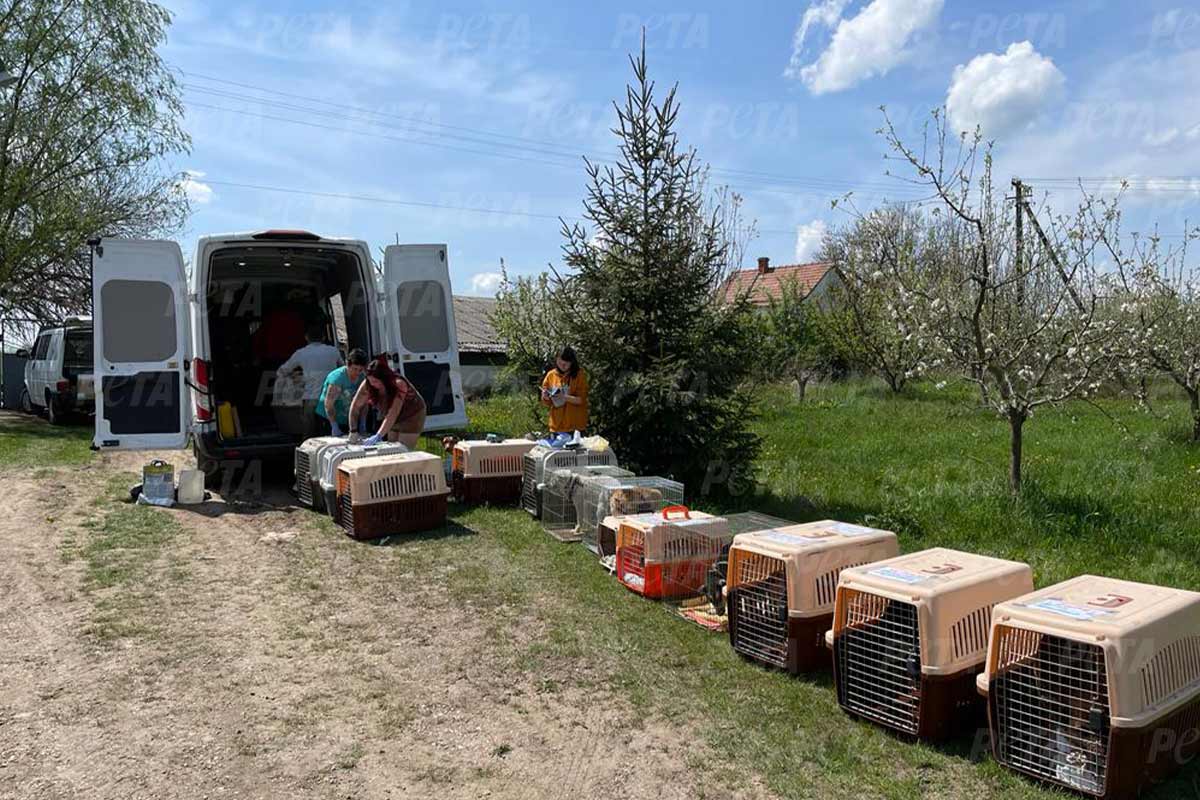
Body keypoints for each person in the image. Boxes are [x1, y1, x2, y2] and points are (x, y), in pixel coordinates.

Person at [276, 323, 342, 437]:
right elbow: (342, 369)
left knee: (308, 433)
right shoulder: (333, 351)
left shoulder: (301, 353)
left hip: (311, 398)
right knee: (332, 432)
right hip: (331, 398)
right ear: (323, 337)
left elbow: (282, 371)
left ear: (306, 337)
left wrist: (295, 376)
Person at [349, 357, 427, 449]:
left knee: (403, 450)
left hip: (411, 415)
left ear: (384, 379)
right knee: (391, 449)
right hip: (391, 417)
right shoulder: (368, 384)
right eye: (370, 381)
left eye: (375, 381)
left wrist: (378, 435)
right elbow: (355, 406)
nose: (373, 384)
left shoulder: (399, 384)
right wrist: (353, 430)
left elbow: (393, 413)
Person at [316, 348, 369, 436]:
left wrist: (362, 423)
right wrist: (334, 426)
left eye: (360, 370)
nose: (357, 372)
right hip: (329, 417)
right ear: (347, 364)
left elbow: (364, 403)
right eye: (354, 369)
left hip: (347, 416)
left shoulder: (362, 377)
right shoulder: (337, 379)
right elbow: (329, 405)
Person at [540, 345, 589, 434]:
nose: (563, 365)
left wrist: (564, 397)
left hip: (575, 427)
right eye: (560, 362)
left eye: (566, 363)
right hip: (556, 427)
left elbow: (581, 400)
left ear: (572, 362)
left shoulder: (579, 375)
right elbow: (546, 402)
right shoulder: (551, 375)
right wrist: (545, 397)